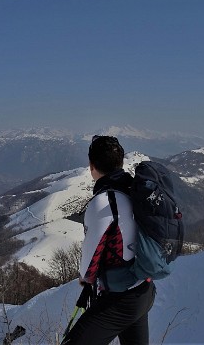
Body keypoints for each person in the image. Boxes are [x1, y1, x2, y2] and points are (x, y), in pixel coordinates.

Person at [62, 135, 155, 345]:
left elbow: (90, 255)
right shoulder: (134, 189)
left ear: (91, 166)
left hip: (121, 297)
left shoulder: (104, 201)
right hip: (144, 289)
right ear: (120, 162)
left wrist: (86, 278)